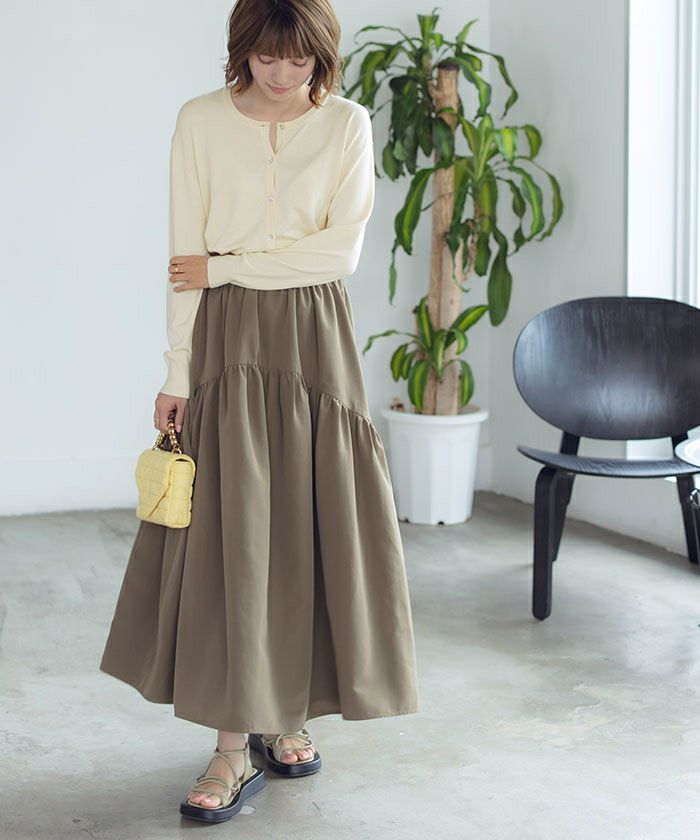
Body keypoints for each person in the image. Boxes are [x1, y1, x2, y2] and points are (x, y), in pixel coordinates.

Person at [99, 0, 420, 825]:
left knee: (310, 519)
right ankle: (231, 746)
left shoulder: (346, 124)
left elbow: (339, 253)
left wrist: (228, 266)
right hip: (227, 339)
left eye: (299, 60)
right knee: (234, 531)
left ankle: (287, 713)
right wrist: (177, 367)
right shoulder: (201, 121)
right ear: (241, 50)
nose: (282, 75)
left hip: (316, 337)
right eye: (266, 57)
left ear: (322, 56)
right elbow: (183, 257)